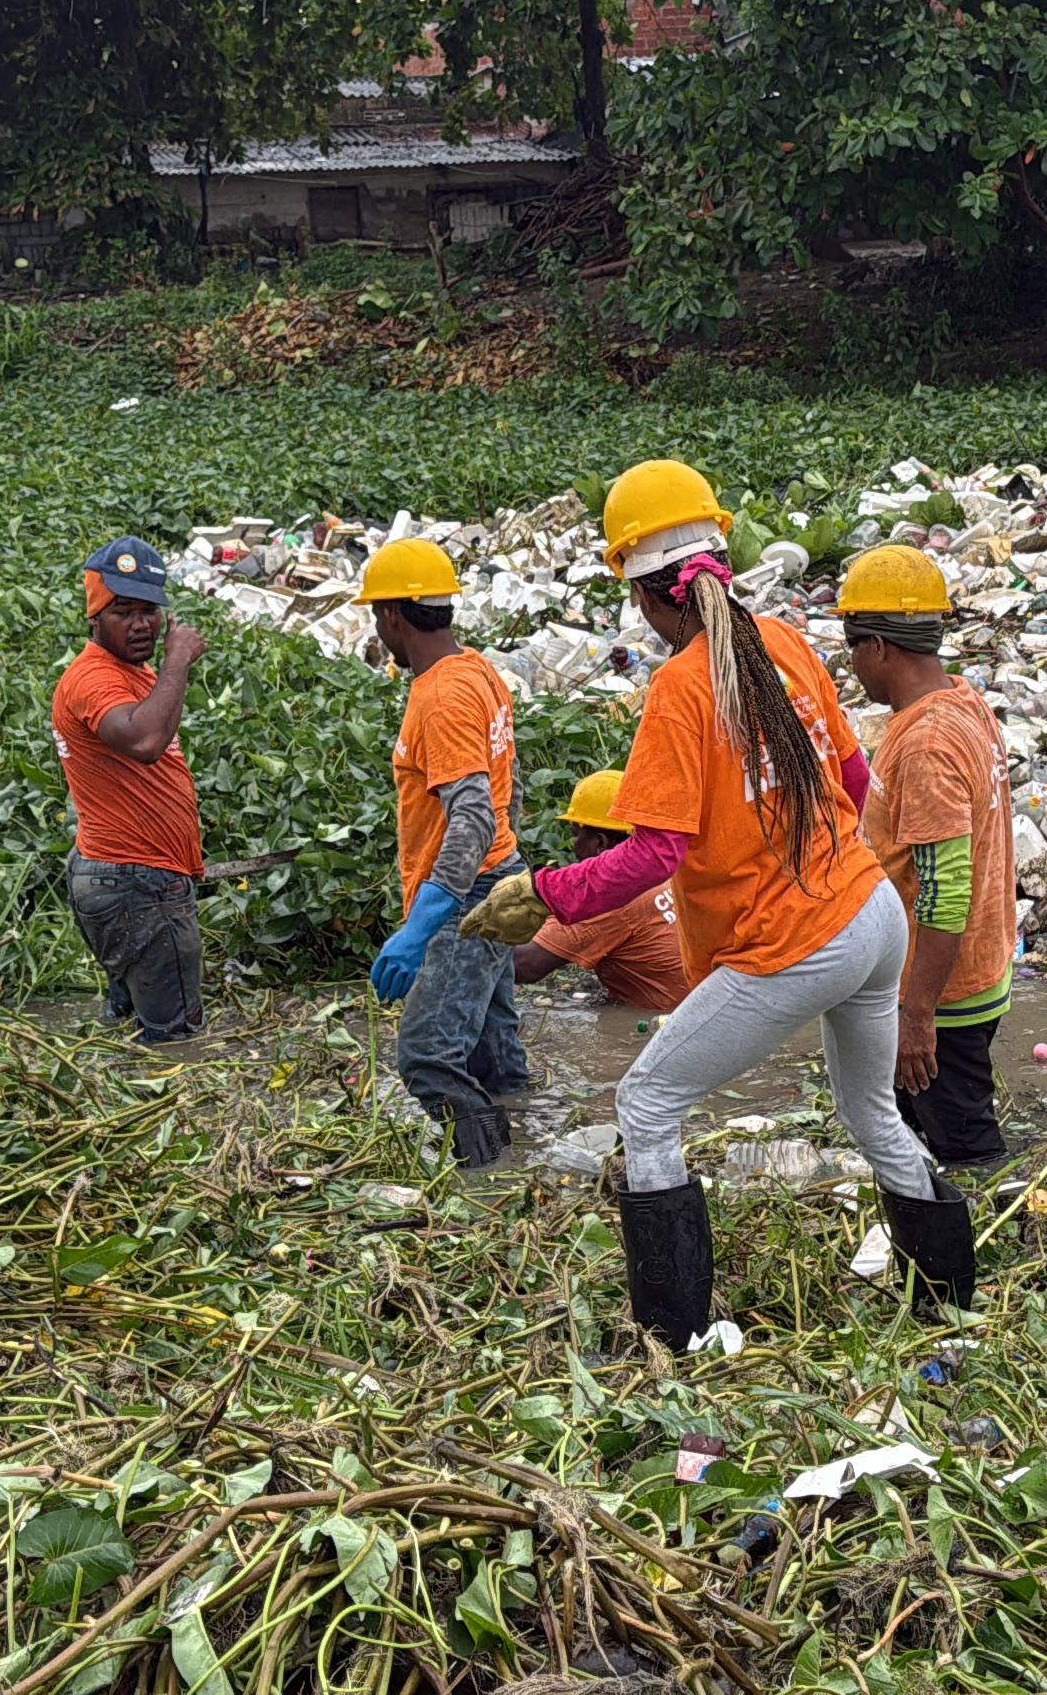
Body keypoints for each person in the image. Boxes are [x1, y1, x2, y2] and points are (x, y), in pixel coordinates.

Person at [460, 461, 972, 1344]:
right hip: (872, 916)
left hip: (801, 943)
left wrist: (541, 892)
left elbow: (655, 856)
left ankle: (673, 1337)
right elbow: (855, 779)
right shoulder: (785, 639)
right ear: (719, 563)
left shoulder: (681, 686)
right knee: (870, 1112)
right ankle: (951, 1309)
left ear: (647, 597)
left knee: (647, 1105)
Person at [833, 547, 1016, 1169]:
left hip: (944, 992)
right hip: (966, 971)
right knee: (914, 1128)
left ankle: (998, 1245)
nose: (852, 665)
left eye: (853, 646)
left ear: (879, 647)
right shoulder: (962, 701)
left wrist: (916, 1015)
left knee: (968, 1150)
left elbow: (946, 889)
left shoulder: (930, 743)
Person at [357, 537, 526, 1167]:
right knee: (492, 1054)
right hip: (502, 882)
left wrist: (423, 925)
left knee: (427, 1056)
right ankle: (530, 1161)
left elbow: (473, 818)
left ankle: (491, 1179)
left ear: (394, 615)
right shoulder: (475, 669)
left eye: (379, 615)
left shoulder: (442, 695)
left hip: (472, 894)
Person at [52, 536, 208, 1043]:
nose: (142, 624)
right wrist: (178, 661)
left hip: (123, 876)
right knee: (176, 1042)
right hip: (137, 884)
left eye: (150, 611)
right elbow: (144, 740)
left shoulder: (129, 673)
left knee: (130, 1024)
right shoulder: (94, 679)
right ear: (94, 616)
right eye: (124, 612)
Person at [514, 771, 696, 1012]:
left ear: (599, 842)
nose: (573, 846)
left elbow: (526, 965)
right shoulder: (669, 867)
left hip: (664, 1018)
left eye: (575, 835)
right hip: (701, 1003)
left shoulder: (609, 898)